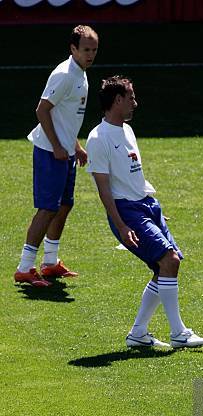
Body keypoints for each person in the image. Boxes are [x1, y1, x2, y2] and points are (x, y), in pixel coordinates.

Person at [85, 76, 203, 349]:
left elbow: (134, 175)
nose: (135, 103)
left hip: (146, 206)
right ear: (117, 100)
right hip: (127, 212)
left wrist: (156, 212)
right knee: (169, 261)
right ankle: (178, 333)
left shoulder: (127, 130)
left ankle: (138, 334)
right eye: (130, 97)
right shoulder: (98, 138)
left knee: (163, 267)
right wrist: (120, 224)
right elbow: (104, 189)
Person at [14, 25, 99, 287]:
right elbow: (42, 111)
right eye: (86, 50)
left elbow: (64, 117)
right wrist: (58, 147)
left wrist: (75, 146)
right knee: (48, 208)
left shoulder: (80, 73)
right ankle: (25, 267)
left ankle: (49, 262)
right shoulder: (65, 75)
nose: (91, 55)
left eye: (94, 50)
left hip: (64, 152)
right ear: (73, 49)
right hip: (51, 152)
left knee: (64, 205)